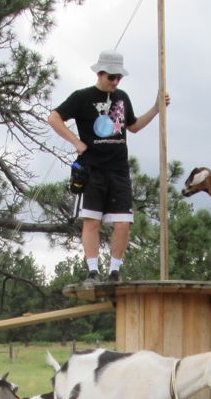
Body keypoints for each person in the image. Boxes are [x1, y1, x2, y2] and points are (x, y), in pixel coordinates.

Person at [48, 49, 168, 285]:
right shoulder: (82, 97)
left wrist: (156, 108)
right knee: (91, 221)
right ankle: (93, 271)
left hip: (119, 170)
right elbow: (54, 118)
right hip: (92, 169)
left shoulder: (122, 97)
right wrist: (76, 142)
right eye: (111, 77)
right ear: (100, 74)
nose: (115, 82)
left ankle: (115, 271)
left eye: (118, 78)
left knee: (123, 223)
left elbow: (133, 126)